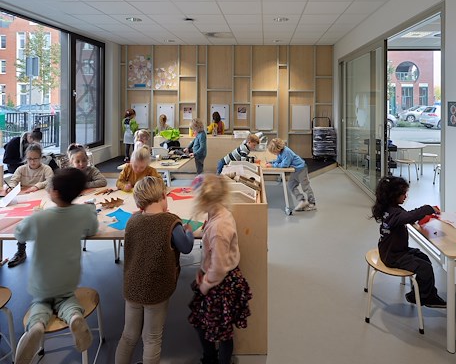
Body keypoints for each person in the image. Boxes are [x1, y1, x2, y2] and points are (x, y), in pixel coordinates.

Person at [14, 168, 99, 364]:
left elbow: (20, 234)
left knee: (40, 303)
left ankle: (37, 326)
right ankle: (74, 316)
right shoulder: (83, 213)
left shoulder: (40, 218)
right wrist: (91, 211)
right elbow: (93, 228)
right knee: (66, 299)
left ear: (55, 193)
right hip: (68, 278)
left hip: (42, 281)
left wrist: (33, 216)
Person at [115, 176, 194, 364]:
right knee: (152, 337)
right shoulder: (171, 223)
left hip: (132, 287)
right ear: (163, 196)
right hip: (156, 289)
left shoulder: (132, 221)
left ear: (139, 202)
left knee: (128, 335)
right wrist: (189, 231)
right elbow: (186, 247)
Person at [188, 174, 252, 364]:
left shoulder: (219, 228)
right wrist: (202, 270)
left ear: (204, 201)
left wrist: (206, 284)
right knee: (203, 323)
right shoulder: (218, 213)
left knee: (222, 332)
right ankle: (210, 357)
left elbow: (219, 266)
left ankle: (218, 360)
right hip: (215, 277)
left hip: (221, 283)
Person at [370, 175, 446, 308]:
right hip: (393, 256)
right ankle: (424, 297)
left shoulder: (390, 209)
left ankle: (421, 292)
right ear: (393, 196)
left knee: (423, 257)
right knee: (424, 267)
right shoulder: (394, 214)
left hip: (393, 251)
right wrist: (428, 208)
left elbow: (407, 217)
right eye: (403, 194)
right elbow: (408, 216)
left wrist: (421, 215)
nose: (406, 196)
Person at [4, 143, 54, 268]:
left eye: (35, 159)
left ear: (41, 157)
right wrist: (10, 187)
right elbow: (13, 180)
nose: (32, 162)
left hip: (42, 200)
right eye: (29, 159)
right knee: (20, 222)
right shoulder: (21, 169)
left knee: (43, 221)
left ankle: (46, 250)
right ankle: (21, 251)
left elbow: (50, 180)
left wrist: (37, 186)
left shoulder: (46, 169)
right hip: (25, 200)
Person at [266, 138, 316, 212]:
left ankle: (312, 203)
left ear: (278, 149)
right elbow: (279, 160)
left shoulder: (286, 152)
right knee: (291, 185)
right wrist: (271, 162)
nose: (274, 154)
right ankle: (302, 200)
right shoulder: (280, 152)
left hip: (301, 169)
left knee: (305, 186)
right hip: (295, 170)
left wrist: (273, 165)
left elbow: (284, 165)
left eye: (274, 152)